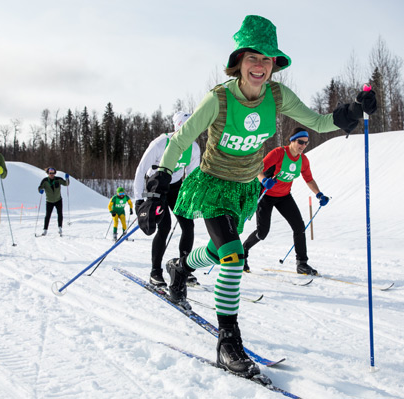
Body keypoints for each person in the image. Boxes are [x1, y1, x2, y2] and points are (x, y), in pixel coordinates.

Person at [137, 15, 377, 377]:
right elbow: (182, 139)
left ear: (274, 65)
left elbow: (319, 122)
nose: (261, 66)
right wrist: (160, 177)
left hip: (245, 189)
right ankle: (227, 342)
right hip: (214, 185)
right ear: (238, 62)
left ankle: (180, 267)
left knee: (221, 252)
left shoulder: (277, 96)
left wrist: (352, 111)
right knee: (233, 257)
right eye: (254, 57)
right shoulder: (218, 99)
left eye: (268, 59)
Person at [242, 127, 330, 275]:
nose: (303, 146)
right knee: (262, 232)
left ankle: (302, 263)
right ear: (291, 140)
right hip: (266, 195)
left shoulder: (303, 160)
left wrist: (319, 194)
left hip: (284, 196)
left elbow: (308, 179)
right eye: (300, 142)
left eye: (306, 143)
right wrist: (264, 181)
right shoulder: (278, 153)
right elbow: (258, 168)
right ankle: (243, 251)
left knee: (299, 227)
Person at [134, 111, 201, 287]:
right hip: (156, 185)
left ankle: (183, 269)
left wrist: (192, 200)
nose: (187, 135)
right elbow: (141, 171)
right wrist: (139, 200)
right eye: (184, 130)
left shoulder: (193, 148)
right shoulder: (159, 144)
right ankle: (155, 272)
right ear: (177, 128)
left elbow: (193, 177)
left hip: (176, 185)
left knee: (188, 225)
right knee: (164, 226)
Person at [38, 166, 70, 236]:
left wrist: (67, 178)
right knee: (48, 215)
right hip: (49, 201)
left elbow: (66, 184)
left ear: (55, 173)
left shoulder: (58, 179)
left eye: (53, 173)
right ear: (48, 173)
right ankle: (45, 230)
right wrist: (40, 190)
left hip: (58, 200)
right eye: (50, 173)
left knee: (60, 214)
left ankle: (60, 228)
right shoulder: (45, 181)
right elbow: (40, 187)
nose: (51, 174)